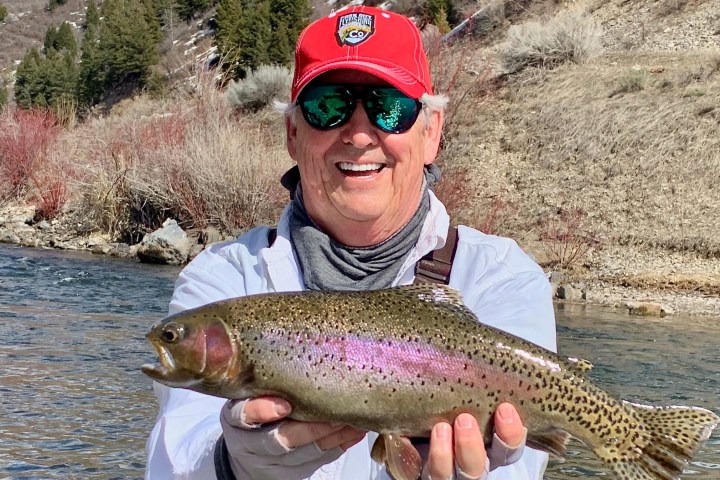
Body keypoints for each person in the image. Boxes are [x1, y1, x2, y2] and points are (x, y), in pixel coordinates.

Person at [145, 5, 556, 480]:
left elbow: (519, 466)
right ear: (293, 133)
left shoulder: (501, 278)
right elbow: (173, 460)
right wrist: (232, 463)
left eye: (390, 108)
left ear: (431, 134)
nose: (359, 134)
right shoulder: (222, 277)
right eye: (327, 106)